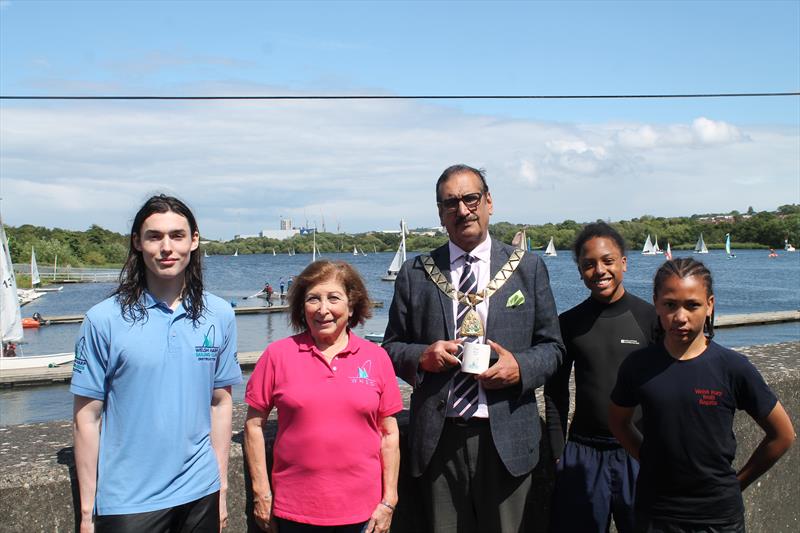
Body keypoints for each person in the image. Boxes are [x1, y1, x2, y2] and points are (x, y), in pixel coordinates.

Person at [383, 164, 564, 533]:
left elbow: (554, 348)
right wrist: (421, 357)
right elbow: (389, 348)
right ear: (440, 212)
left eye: (471, 199)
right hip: (439, 438)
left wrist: (521, 368)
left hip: (508, 436)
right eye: (451, 203)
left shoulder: (527, 268)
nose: (462, 210)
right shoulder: (416, 272)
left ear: (489, 202)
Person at [71, 194, 242, 533]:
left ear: (194, 241)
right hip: (129, 502)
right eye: (155, 236)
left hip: (201, 492)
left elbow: (220, 404)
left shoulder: (220, 314)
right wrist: (88, 511)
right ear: (137, 242)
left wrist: (221, 488)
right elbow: (86, 418)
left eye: (177, 235)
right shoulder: (103, 319)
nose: (167, 247)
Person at [609, 258, 795, 532]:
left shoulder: (732, 367)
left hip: (717, 517)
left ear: (709, 305)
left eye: (692, 305)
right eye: (670, 305)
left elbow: (783, 434)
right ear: (656, 304)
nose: (680, 316)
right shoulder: (639, 366)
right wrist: (646, 457)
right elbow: (618, 421)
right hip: (656, 512)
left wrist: (737, 483)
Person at [244, 260, 402, 533]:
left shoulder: (376, 357)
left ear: (351, 306)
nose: (323, 309)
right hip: (294, 511)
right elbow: (253, 426)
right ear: (301, 307)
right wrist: (261, 492)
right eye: (313, 299)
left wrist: (389, 500)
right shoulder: (277, 355)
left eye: (334, 298)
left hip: (364, 512)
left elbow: (389, 434)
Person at [544, 222, 658, 533]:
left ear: (624, 262)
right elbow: (555, 393)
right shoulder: (569, 323)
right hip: (583, 453)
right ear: (580, 271)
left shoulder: (650, 319)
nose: (599, 270)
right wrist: (558, 452)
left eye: (608, 261)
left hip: (638, 450)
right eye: (588, 264)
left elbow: (669, 389)